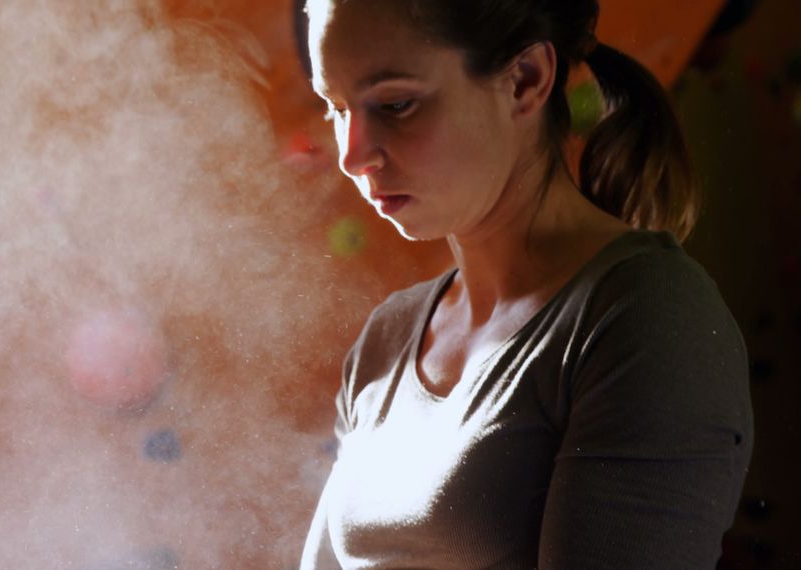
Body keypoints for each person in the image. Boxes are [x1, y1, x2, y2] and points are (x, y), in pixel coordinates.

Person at [297, 1, 754, 568]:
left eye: (396, 104)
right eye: (336, 108)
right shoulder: (388, 337)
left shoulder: (646, 318)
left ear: (525, 80)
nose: (352, 153)